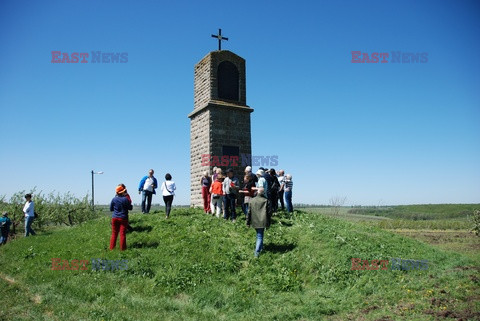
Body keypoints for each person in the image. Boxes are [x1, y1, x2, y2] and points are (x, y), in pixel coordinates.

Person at [246, 187, 272, 258]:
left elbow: (249, 212)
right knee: (260, 236)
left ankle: (261, 248)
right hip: (263, 221)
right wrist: (269, 222)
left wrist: (247, 222)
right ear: (263, 193)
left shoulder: (252, 200)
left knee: (259, 235)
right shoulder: (266, 200)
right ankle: (256, 253)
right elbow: (269, 213)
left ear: (257, 192)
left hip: (254, 221)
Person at [110, 185, 133, 250]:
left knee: (114, 234)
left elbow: (111, 209)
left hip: (114, 218)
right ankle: (123, 249)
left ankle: (112, 248)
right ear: (122, 192)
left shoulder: (114, 199)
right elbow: (130, 208)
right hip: (123, 218)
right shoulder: (125, 199)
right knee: (122, 234)